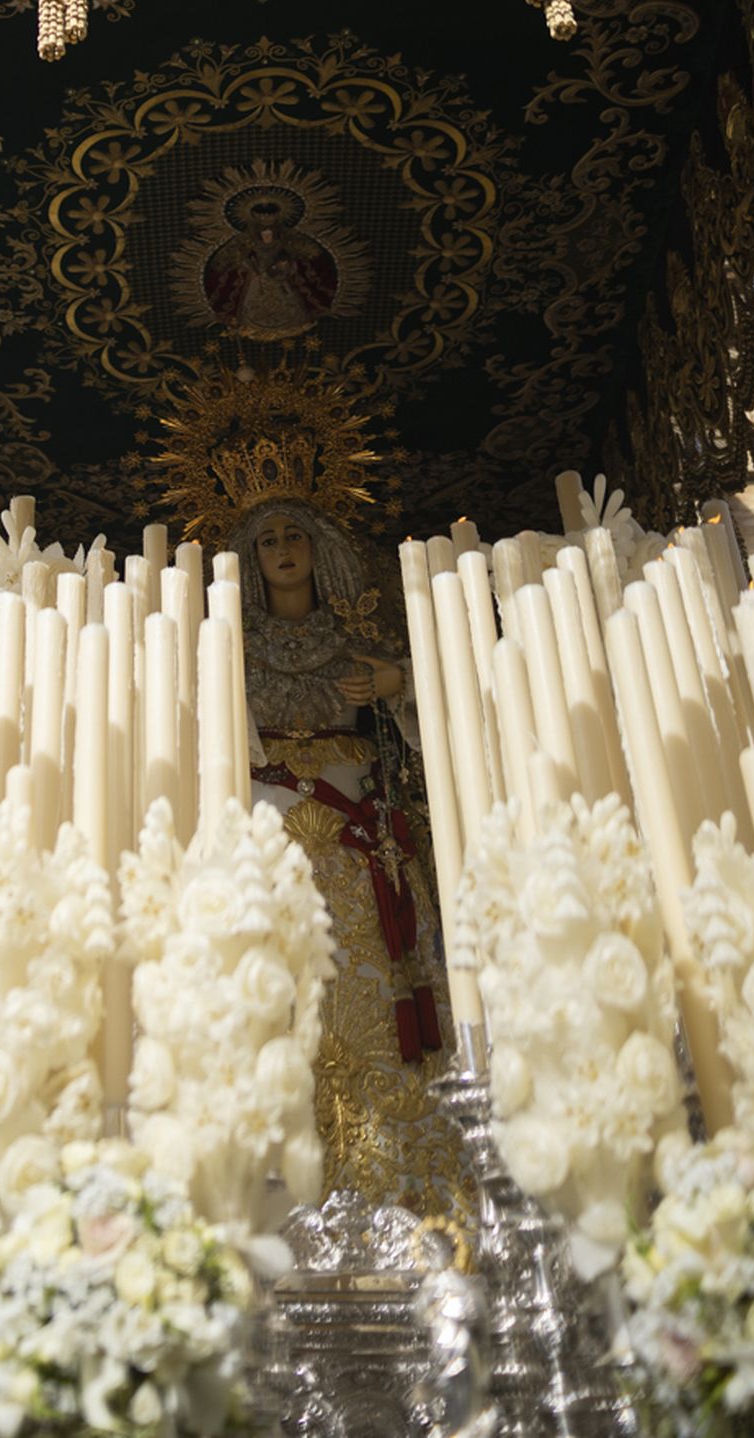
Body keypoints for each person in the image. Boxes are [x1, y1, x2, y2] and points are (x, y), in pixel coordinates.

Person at [230, 492, 465, 1216]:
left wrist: (396, 685)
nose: (281, 549)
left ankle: (398, 1174)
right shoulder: (228, 639)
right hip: (267, 835)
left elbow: (439, 688)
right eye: (266, 540)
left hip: (358, 841)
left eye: (294, 534)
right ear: (251, 560)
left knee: (373, 978)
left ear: (319, 546)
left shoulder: (358, 632)